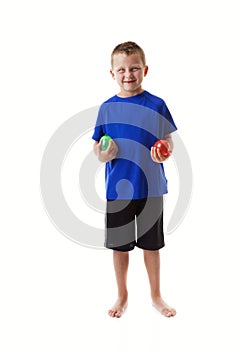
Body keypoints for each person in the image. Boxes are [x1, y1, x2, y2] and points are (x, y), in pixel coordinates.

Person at [92, 41, 177, 318]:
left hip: (151, 188)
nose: (128, 74)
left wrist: (163, 153)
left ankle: (156, 295)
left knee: (152, 245)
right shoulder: (106, 108)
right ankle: (122, 295)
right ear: (112, 73)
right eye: (122, 70)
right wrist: (105, 153)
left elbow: (168, 141)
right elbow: (97, 149)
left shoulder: (157, 104)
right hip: (118, 190)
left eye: (135, 68)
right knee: (120, 246)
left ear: (145, 70)